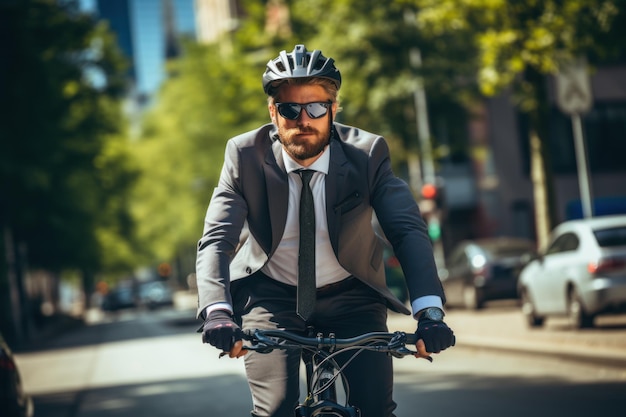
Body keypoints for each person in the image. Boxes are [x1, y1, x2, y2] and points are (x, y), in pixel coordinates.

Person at [196, 44, 455, 417]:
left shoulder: (368, 154)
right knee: (276, 409)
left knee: (375, 409)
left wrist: (429, 312)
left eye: (317, 107)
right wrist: (217, 311)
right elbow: (217, 238)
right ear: (273, 112)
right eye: (290, 109)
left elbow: (407, 229)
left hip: (352, 295)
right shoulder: (244, 155)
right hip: (272, 300)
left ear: (333, 109)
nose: (304, 119)